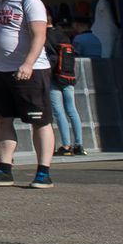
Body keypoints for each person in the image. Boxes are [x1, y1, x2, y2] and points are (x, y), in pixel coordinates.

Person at [0, 0, 54, 188]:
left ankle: (43, 172)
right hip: (1, 70)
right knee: (2, 119)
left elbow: (39, 36)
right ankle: (4, 170)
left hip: (30, 71)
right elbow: (2, 33)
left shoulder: (30, 1)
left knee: (39, 121)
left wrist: (28, 64)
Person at [48, 16, 85, 157]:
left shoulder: (46, 36)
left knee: (59, 111)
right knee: (72, 109)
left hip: (54, 76)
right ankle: (79, 145)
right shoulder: (63, 35)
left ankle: (66, 145)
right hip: (68, 75)